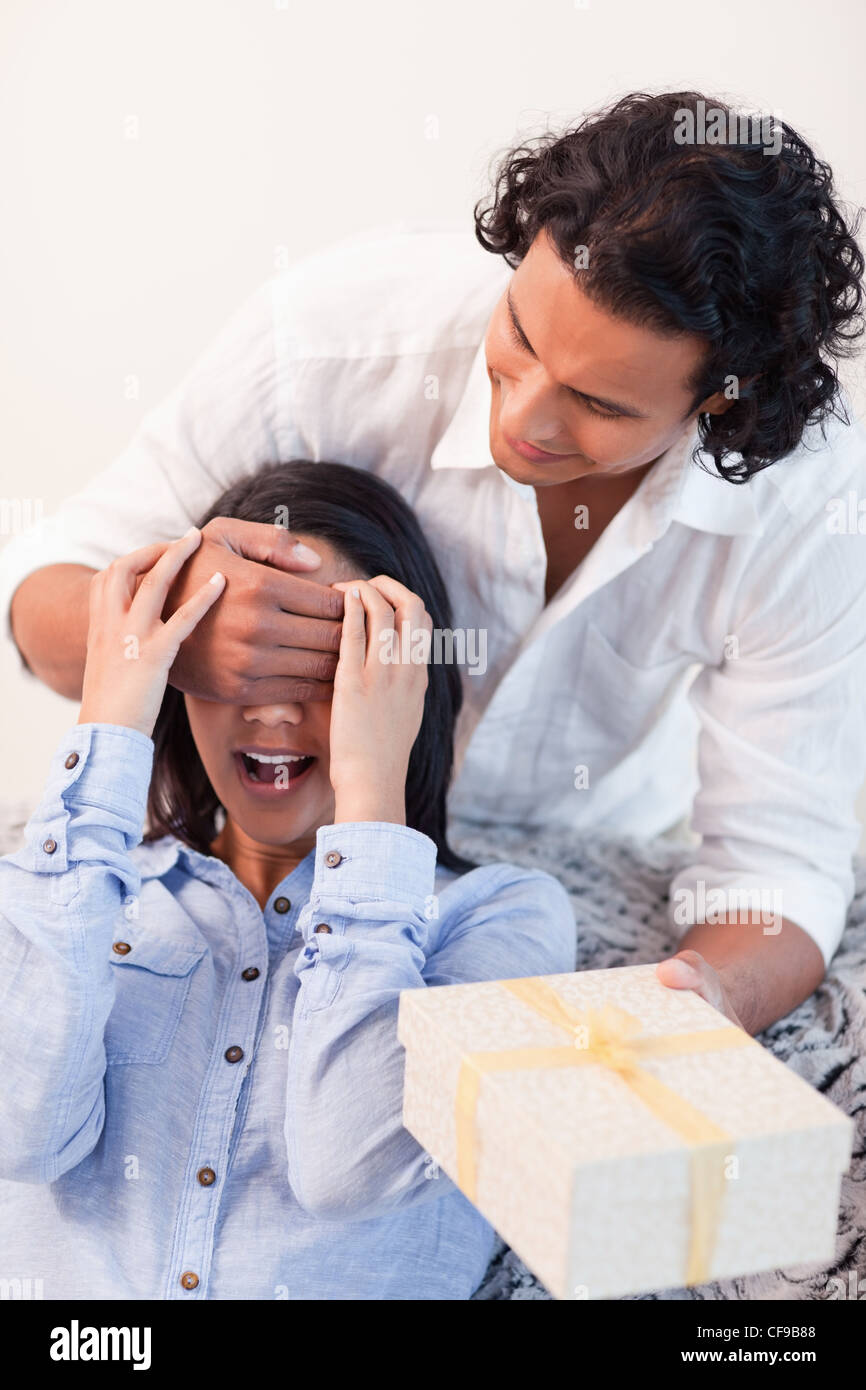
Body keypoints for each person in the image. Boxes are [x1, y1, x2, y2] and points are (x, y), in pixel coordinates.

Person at [3, 91, 866, 1036]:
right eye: (521, 339)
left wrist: (697, 1009)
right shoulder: (332, 340)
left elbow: (778, 862)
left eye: (600, 405)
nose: (522, 420)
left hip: (583, 844)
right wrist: (176, 634)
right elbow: (40, 593)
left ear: (720, 408)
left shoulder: (806, 510)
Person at [0, 460, 576, 1300]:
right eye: (239, 669)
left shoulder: (500, 918)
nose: (270, 713)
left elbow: (351, 1165)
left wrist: (376, 784)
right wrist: (111, 710)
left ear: (403, 688)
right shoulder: (79, 889)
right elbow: (21, 1129)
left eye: (322, 668)